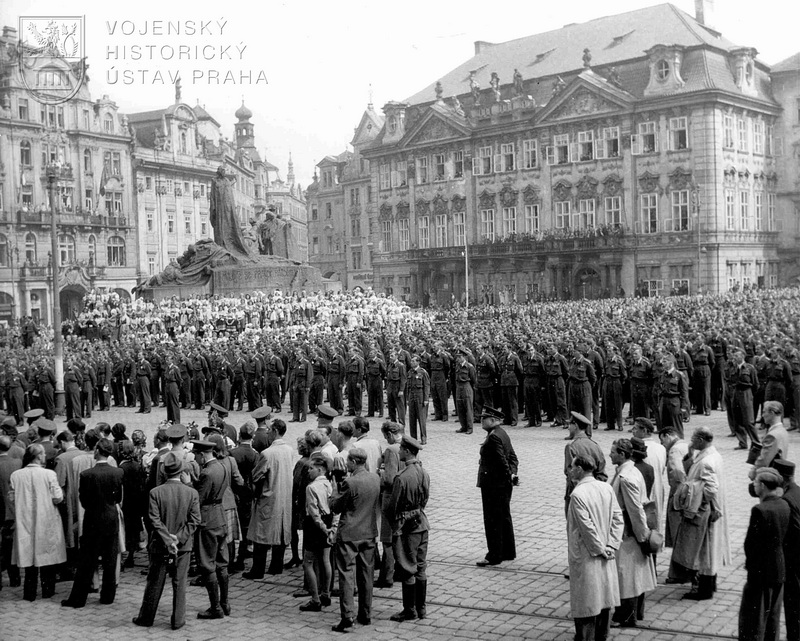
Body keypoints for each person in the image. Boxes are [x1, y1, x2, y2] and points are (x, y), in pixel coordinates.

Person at [132, 452, 201, 630]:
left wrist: (167, 539)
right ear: (181, 472)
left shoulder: (155, 492)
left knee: (155, 581)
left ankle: (146, 617)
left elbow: (154, 520)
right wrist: (179, 538)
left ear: (164, 472)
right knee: (180, 583)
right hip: (183, 546)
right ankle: (178, 620)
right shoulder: (191, 493)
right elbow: (195, 520)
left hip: (160, 546)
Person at [61, 437, 124, 608]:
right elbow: (117, 497)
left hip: (93, 520)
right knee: (110, 559)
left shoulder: (87, 475)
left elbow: (84, 500)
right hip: (111, 518)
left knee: (87, 561)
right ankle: (108, 596)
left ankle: (78, 598)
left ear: (97, 451)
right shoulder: (118, 472)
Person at [670, 427, 731, 600]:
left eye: (694, 439)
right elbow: (692, 471)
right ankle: (709, 584)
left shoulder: (707, 462)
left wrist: (701, 504)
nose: (691, 441)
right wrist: (689, 454)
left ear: (701, 440)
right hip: (709, 509)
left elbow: (711, 488)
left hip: (705, 511)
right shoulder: (710, 455)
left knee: (704, 550)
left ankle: (703, 589)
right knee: (708, 549)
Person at [567, 455, 623, 641]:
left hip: (587, 554)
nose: (570, 470)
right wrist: (611, 545)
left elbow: (587, 528)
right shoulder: (606, 487)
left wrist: (600, 549)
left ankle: (585, 637)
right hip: (606, 552)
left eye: (572, 467)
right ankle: (602, 635)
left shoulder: (578, 494)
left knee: (586, 600)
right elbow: (617, 518)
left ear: (580, 469)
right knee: (604, 597)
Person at [330, 447, 380, 633]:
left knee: (346, 575)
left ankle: (347, 616)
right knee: (367, 575)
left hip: (350, 534)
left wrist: (335, 491)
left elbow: (335, 506)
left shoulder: (350, 483)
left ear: (353, 462)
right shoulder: (375, 478)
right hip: (368, 532)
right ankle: (365, 613)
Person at [609, 439, 656, 628]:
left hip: (627, 534)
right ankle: (635, 612)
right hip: (631, 532)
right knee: (633, 573)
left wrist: (642, 536)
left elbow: (635, 510)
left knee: (626, 575)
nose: (610, 454)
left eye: (613, 451)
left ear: (622, 454)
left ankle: (626, 616)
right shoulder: (632, 470)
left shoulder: (625, 478)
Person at [9, 443, 66, 601]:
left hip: (25, 519)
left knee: (29, 556)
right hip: (46, 517)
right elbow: (58, 497)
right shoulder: (49, 475)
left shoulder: (16, 475)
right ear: (39, 456)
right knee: (46, 554)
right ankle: (48, 589)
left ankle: (29, 592)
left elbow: (12, 498)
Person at [738, 467, 789, 641]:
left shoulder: (760, 510)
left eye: (756, 482)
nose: (754, 485)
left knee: (754, 620)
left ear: (764, 486)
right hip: (779, 568)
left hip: (761, 572)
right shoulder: (784, 504)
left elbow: (750, 544)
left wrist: (751, 566)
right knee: (772, 618)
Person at [386, 435, 430, 623]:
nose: (400, 452)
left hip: (406, 527)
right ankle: (421, 608)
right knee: (420, 567)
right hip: (422, 523)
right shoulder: (423, 472)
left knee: (407, 567)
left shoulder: (402, 477)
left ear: (406, 451)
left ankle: (409, 609)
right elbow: (425, 498)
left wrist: (396, 522)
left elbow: (392, 507)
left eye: (401, 450)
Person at [245, 418, 294, 578]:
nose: (267, 433)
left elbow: (257, 475)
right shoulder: (289, 449)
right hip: (284, 495)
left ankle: (257, 569)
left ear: (274, 431)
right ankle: (276, 565)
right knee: (280, 530)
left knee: (261, 532)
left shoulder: (267, 453)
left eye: (269, 430)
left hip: (269, 496)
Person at [192, 438, 231, 619]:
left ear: (202, 454)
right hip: (220, 515)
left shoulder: (206, 473)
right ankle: (225, 602)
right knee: (222, 563)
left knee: (207, 563)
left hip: (207, 519)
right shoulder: (222, 466)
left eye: (196, 454)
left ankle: (215, 607)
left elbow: (199, 500)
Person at [476, 406, 518, 567]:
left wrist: (508, 475)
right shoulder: (502, 433)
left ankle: (494, 554)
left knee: (492, 520)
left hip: (493, 485)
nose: (481, 421)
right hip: (503, 484)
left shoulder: (493, 437)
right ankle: (507, 551)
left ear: (493, 420)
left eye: (484, 418)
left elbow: (502, 462)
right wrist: (513, 475)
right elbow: (513, 458)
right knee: (503, 518)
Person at [298, 452, 333, 612]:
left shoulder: (311, 487)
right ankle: (326, 593)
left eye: (311, 468)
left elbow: (313, 512)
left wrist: (321, 527)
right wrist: (330, 528)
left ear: (320, 470)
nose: (308, 471)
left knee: (308, 562)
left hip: (314, 525)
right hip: (328, 521)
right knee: (325, 560)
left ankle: (315, 598)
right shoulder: (329, 484)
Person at [564, 412, 607, 517]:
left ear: (576, 426)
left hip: (577, 494)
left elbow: (570, 473)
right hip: (595, 496)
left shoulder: (571, 446)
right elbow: (602, 474)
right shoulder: (595, 445)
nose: (568, 428)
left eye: (570, 425)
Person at [775, 459, 800, 641]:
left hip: (794, 560)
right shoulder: (797, 491)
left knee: (792, 602)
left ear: (782, 479)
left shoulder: (786, 499)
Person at [0, 435, 22, 588]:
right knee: (10, 547)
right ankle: (15, 578)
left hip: (1, 509)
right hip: (13, 509)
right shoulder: (17, 463)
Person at [750, 401, 790, 476]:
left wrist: (753, 472)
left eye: (764, 412)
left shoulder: (772, 435)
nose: (762, 415)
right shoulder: (783, 431)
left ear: (772, 413)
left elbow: (764, 460)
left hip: (769, 476)